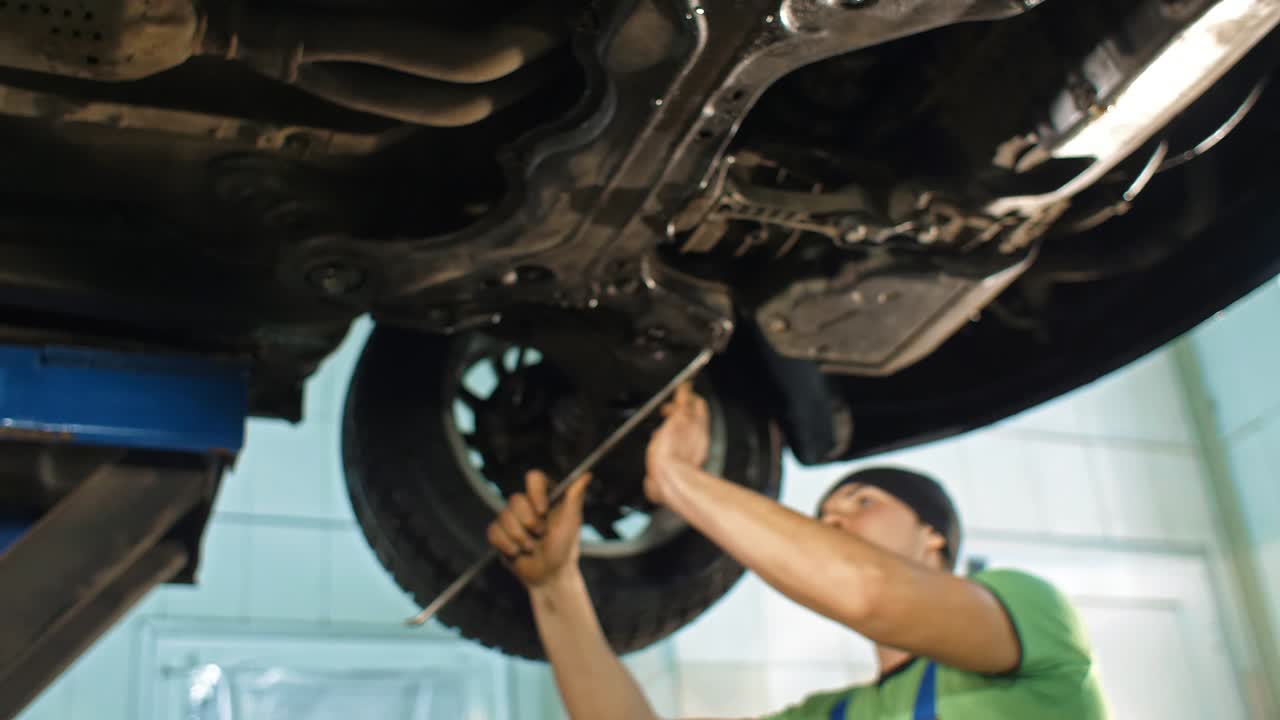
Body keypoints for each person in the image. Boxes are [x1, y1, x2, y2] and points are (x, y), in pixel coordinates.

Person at [486, 384, 1109, 719]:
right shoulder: (834, 715)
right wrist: (553, 586)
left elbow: (873, 594)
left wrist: (677, 479)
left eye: (862, 501)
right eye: (822, 515)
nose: (832, 515)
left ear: (934, 537)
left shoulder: (1033, 615)